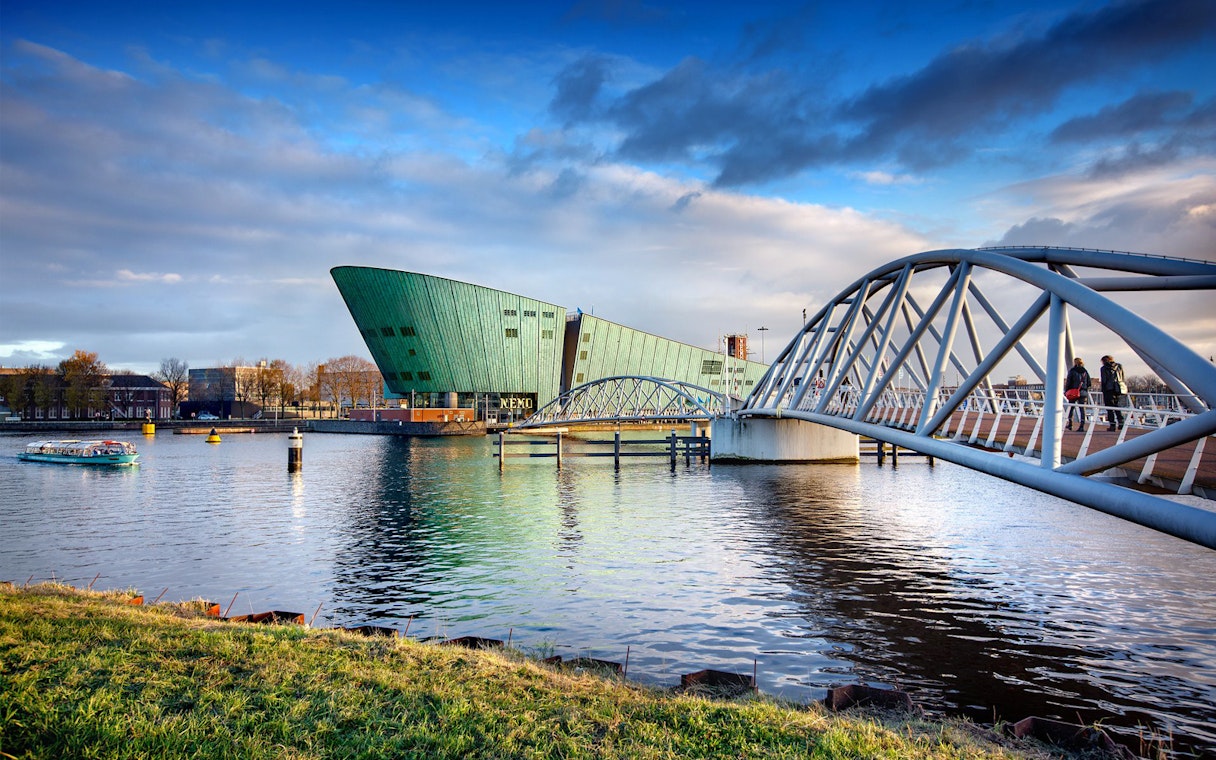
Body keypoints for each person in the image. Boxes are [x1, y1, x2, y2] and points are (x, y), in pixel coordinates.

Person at [1099, 354, 1127, 431]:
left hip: (1108, 389)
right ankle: (1121, 422)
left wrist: (1103, 390)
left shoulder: (1104, 368)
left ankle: (1112, 425)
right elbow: (1122, 377)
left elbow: (1104, 380)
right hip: (1118, 388)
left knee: (1109, 408)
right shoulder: (1119, 366)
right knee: (1116, 405)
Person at [1063, 357, 1090, 430]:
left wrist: (1066, 390)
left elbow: (1069, 382)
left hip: (1073, 392)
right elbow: (1089, 383)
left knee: (1071, 408)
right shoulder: (1085, 371)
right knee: (1082, 409)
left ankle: (1070, 424)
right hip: (1083, 392)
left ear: (1075, 363)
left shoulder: (1072, 371)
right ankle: (1082, 426)